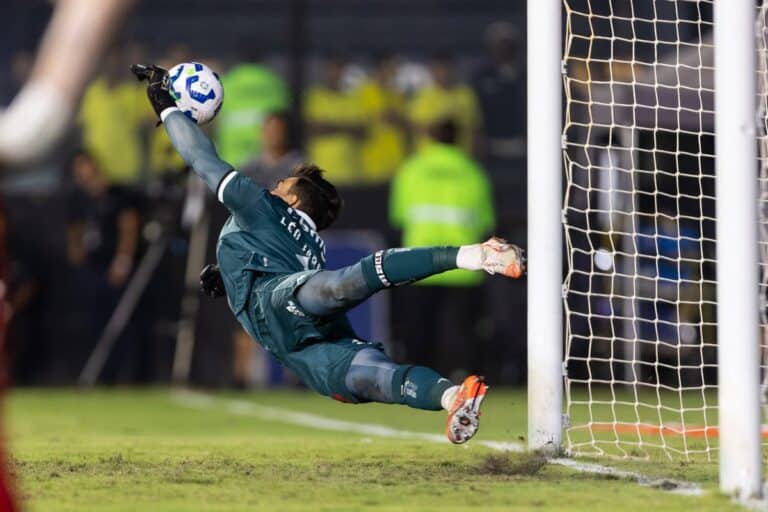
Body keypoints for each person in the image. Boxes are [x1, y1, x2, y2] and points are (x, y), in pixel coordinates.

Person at [132, 64, 525, 444]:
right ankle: (453, 396)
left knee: (337, 287)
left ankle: (477, 255)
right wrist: (230, 274)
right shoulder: (304, 241)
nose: (272, 184)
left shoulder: (263, 206)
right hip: (300, 340)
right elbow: (273, 257)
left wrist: (166, 106)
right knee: (371, 377)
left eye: (281, 182)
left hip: (282, 305)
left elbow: (202, 159)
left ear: (295, 199)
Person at [389, 119, 496, 378]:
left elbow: (399, 216)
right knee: (462, 333)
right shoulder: (472, 172)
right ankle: (465, 378)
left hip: (419, 263)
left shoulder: (411, 169)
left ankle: (416, 380)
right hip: (463, 266)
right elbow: (485, 222)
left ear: (429, 138)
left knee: (419, 330)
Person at [303, 57, 366, 185]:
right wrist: (346, 127)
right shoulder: (315, 96)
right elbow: (311, 129)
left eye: (339, 69)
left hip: (351, 173)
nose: (336, 74)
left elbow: (363, 132)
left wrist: (329, 126)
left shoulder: (353, 99)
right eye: (332, 69)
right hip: (321, 173)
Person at [408, 54, 481, 155]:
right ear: (432, 71)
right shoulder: (422, 96)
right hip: (429, 158)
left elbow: (475, 128)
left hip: (460, 157)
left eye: (447, 68)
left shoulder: (466, 94)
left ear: (454, 69)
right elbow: (415, 126)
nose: (444, 73)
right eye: (438, 69)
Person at [355, 54, 408, 184]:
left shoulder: (396, 94)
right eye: (391, 67)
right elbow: (385, 117)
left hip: (396, 163)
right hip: (374, 165)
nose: (395, 72)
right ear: (381, 68)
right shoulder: (365, 92)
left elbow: (404, 121)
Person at [241, 111, 304, 189]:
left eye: (277, 130)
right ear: (262, 132)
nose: (273, 136)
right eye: (269, 131)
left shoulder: (299, 167)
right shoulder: (248, 168)